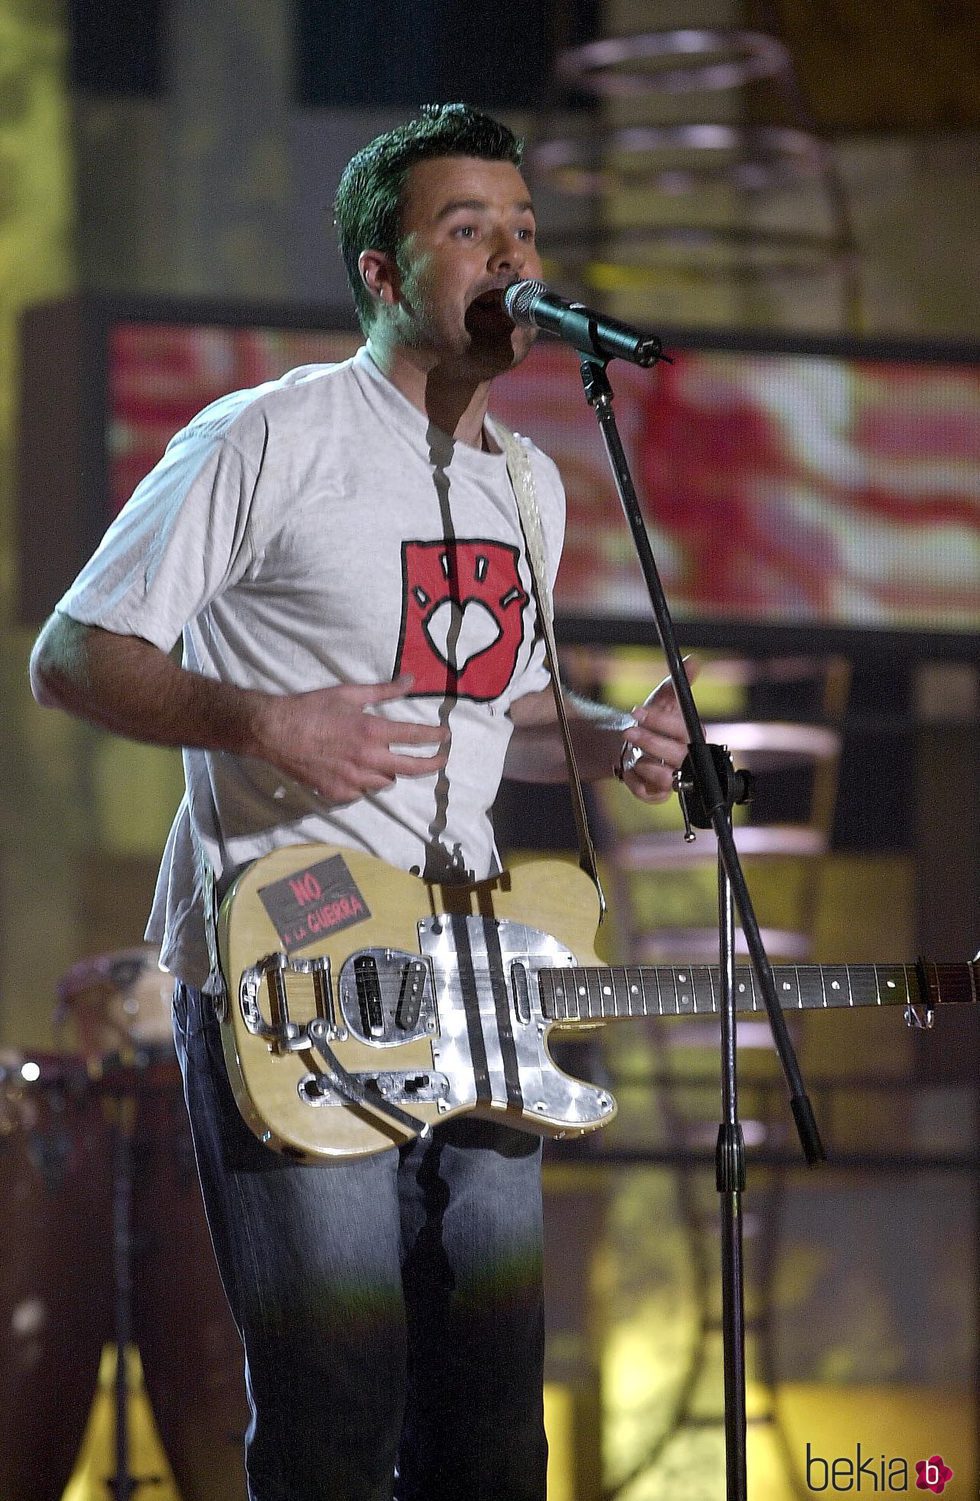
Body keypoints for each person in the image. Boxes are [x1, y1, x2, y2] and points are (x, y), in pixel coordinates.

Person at [30, 104, 689, 1501]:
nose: (510, 255)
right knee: (337, 1410)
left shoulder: (528, 482)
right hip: (298, 975)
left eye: (522, 229)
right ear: (383, 274)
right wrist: (260, 719)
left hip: (474, 982)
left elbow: (490, 715)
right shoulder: (265, 436)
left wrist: (603, 734)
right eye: (469, 232)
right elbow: (74, 650)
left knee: (498, 1427)